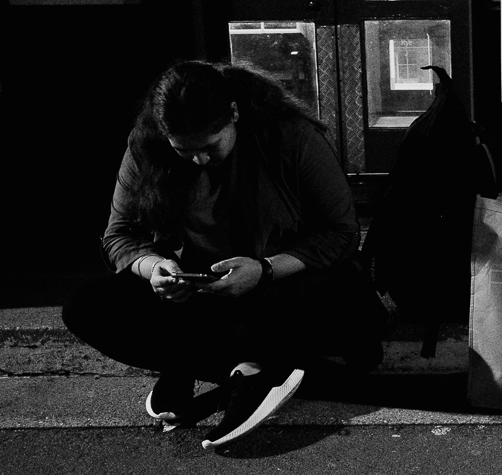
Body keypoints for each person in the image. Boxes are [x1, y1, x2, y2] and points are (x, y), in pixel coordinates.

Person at [62, 60, 387, 449]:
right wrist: (155, 268)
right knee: (85, 307)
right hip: (204, 289)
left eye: (210, 146)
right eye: (184, 150)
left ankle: (230, 367)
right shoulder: (145, 145)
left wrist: (265, 270)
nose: (199, 159)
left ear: (233, 114)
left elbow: (341, 234)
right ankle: (249, 368)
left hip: (283, 282)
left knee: (323, 294)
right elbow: (119, 235)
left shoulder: (290, 137)